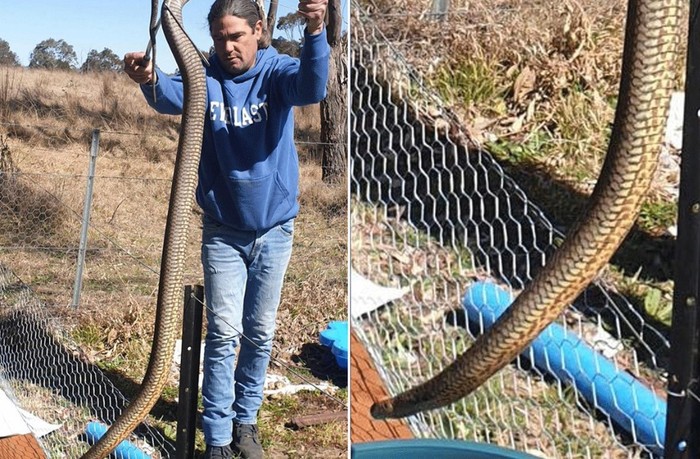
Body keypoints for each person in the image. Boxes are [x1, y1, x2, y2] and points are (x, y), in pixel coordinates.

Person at [123, 0, 330, 457]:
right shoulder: (205, 76)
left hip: (275, 229)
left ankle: (246, 424)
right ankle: (216, 439)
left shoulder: (276, 72)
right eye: (219, 38)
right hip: (223, 230)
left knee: (259, 332)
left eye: (236, 36)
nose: (227, 46)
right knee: (223, 335)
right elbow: (169, 97)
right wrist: (148, 79)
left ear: (259, 30)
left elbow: (312, 87)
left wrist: (316, 28)